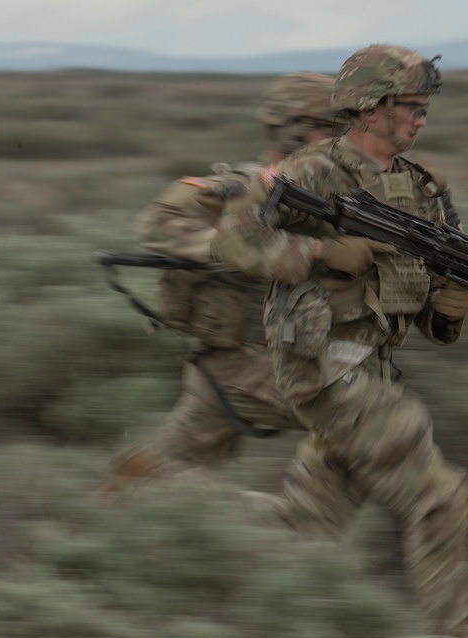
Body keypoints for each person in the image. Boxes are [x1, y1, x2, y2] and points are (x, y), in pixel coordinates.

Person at [210, 44, 468, 637]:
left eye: (425, 107)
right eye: (410, 106)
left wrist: (449, 307)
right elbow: (231, 241)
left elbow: (420, 301)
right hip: (325, 368)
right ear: (368, 107)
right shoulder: (311, 170)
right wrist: (320, 249)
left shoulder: (419, 188)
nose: (421, 118)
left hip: (372, 366)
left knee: (305, 527)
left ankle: (182, 525)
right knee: (440, 499)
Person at [98, 72, 348, 495]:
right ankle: (295, 535)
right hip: (239, 365)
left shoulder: (336, 200)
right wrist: (268, 251)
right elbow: (158, 222)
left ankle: (113, 516)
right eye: (329, 126)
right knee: (369, 421)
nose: (341, 139)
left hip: (280, 358)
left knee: (168, 469)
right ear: (288, 127)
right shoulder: (239, 189)